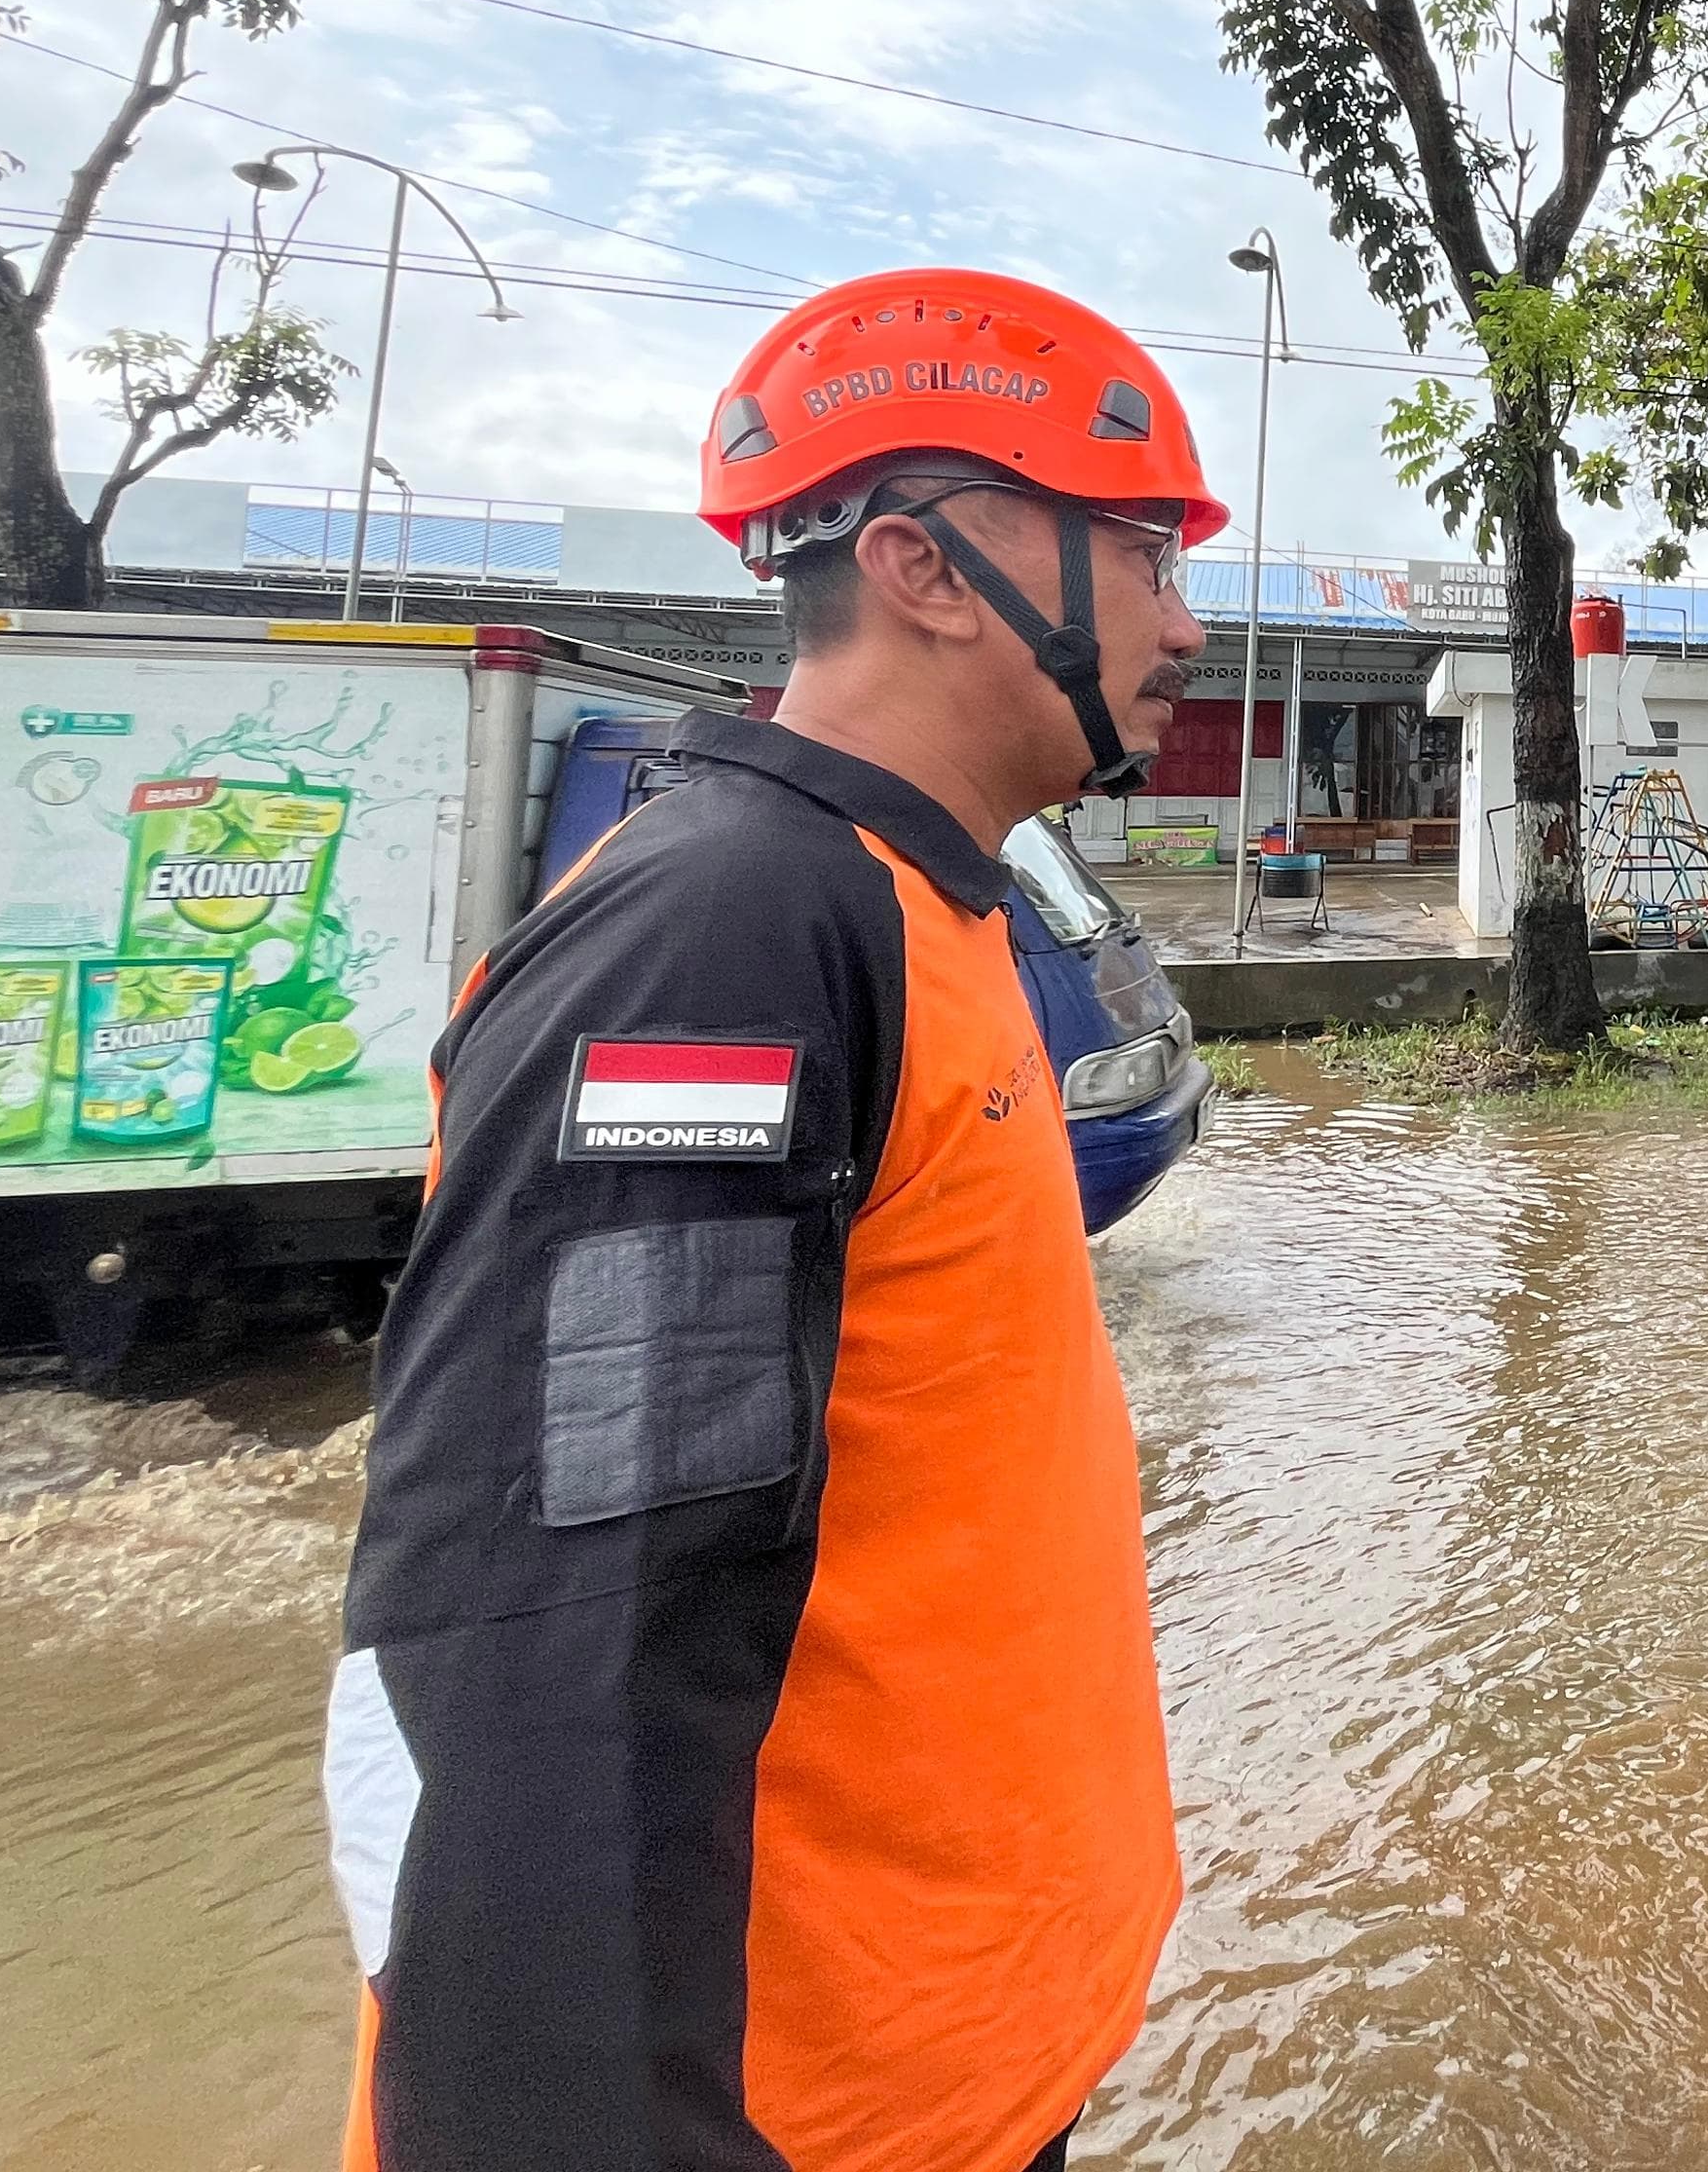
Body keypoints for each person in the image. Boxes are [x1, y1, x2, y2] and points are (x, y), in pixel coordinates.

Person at [322, 271, 1215, 2171]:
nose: (1189, 620)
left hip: (943, 2074)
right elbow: (551, 1643)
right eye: (1144, 550)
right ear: (928, 568)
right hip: (794, 2123)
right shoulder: (721, 939)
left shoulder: (929, 903)